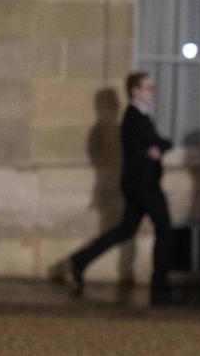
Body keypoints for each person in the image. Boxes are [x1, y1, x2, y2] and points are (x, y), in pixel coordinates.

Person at [61, 71, 177, 304]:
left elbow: (157, 144)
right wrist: (155, 149)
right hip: (143, 184)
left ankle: (80, 261)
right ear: (135, 91)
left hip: (138, 183)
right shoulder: (134, 116)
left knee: (126, 229)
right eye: (148, 88)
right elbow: (158, 142)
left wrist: (156, 149)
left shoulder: (139, 116)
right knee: (164, 227)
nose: (152, 92)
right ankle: (160, 283)